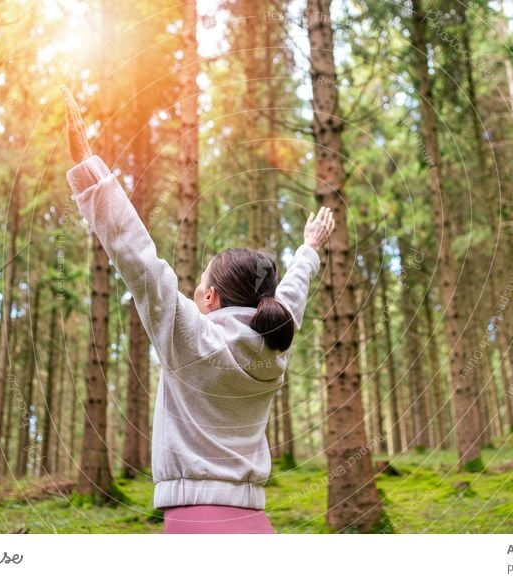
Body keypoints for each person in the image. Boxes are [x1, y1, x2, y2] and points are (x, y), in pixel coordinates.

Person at [62, 86, 335, 533]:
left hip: (196, 524)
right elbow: (292, 297)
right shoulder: (274, 346)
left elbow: (138, 259)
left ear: (210, 298)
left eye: (201, 282)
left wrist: (90, 170)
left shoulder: (194, 339)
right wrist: (309, 248)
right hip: (255, 523)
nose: (193, 291)